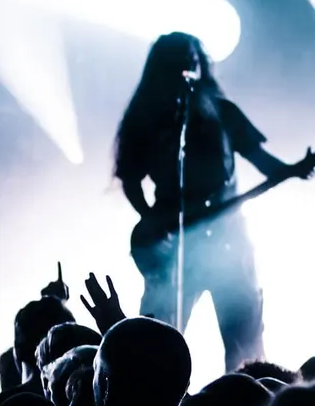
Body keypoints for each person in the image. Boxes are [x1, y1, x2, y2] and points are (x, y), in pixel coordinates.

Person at [114, 32, 313, 371]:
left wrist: (294, 169)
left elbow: (261, 160)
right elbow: (130, 179)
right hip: (175, 248)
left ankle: (247, 402)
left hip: (228, 244)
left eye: (195, 61)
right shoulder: (146, 119)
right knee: (159, 337)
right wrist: (152, 221)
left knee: (244, 341)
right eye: (182, 62)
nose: (190, 68)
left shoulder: (222, 113)